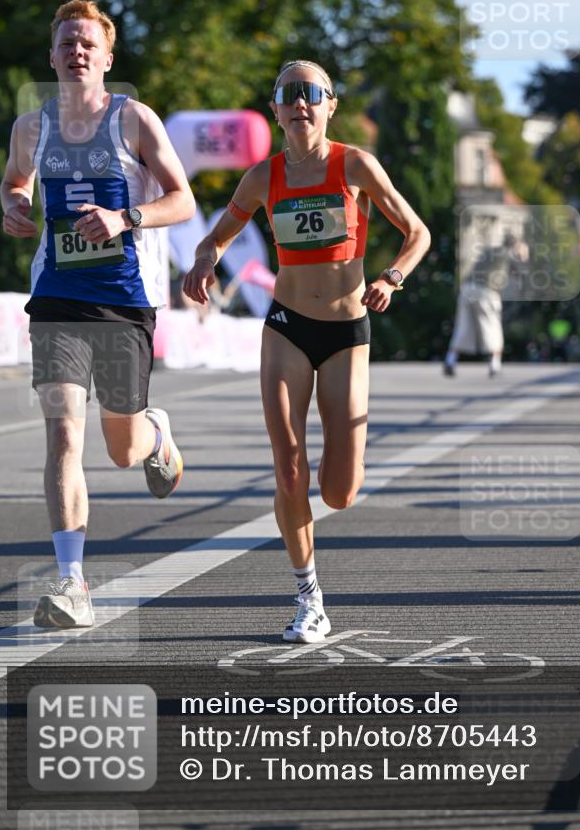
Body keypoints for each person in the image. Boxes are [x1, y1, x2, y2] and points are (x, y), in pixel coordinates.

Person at [183, 59, 430, 643]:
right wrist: (202, 262)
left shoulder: (355, 165)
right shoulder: (262, 178)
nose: (300, 104)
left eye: (311, 93)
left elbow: (417, 232)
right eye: (289, 94)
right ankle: (308, 596)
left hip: (347, 332)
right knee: (287, 462)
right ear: (276, 109)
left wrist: (392, 277)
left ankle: (342, 461)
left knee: (339, 492)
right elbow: (215, 237)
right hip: (287, 327)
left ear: (330, 104)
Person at [0, 0, 195, 628]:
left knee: (121, 447)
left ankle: (156, 433)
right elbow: (13, 181)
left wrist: (125, 216)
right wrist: (14, 202)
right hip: (56, 294)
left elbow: (182, 200)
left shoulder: (133, 119)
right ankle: (72, 585)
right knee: (62, 433)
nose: (76, 52)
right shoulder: (31, 127)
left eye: (87, 44)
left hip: (122, 298)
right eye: (66, 44)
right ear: (52, 56)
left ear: (107, 59)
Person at [443, 230, 527, 377]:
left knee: (463, 327)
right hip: (486, 291)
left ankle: (450, 360)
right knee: (492, 326)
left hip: (467, 289)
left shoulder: (489, 251)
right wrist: (523, 255)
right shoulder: (508, 255)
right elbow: (522, 272)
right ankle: (495, 364)